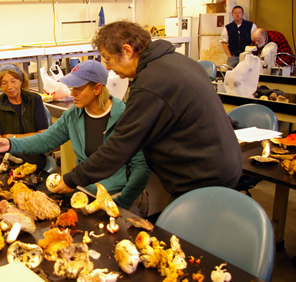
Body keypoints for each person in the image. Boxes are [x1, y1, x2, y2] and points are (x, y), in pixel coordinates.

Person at [48, 21, 242, 205]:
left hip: (203, 178)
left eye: (108, 59)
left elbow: (119, 147)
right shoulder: (177, 61)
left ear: (127, 50)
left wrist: (73, 179)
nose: (107, 67)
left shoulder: (151, 83)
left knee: (185, 236)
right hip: (224, 163)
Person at [0, 60, 151, 211]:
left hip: (115, 195)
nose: (72, 94)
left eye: (78, 89)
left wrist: (121, 202)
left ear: (97, 89)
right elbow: (45, 140)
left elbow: (141, 168)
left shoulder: (126, 117)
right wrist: (10, 143)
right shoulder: (74, 115)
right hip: (82, 190)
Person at [0, 63, 49, 170]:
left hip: (32, 151)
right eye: (4, 83)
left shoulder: (34, 100)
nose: (9, 87)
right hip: (8, 152)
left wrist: (12, 137)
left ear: (21, 81)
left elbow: (43, 135)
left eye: (13, 81)